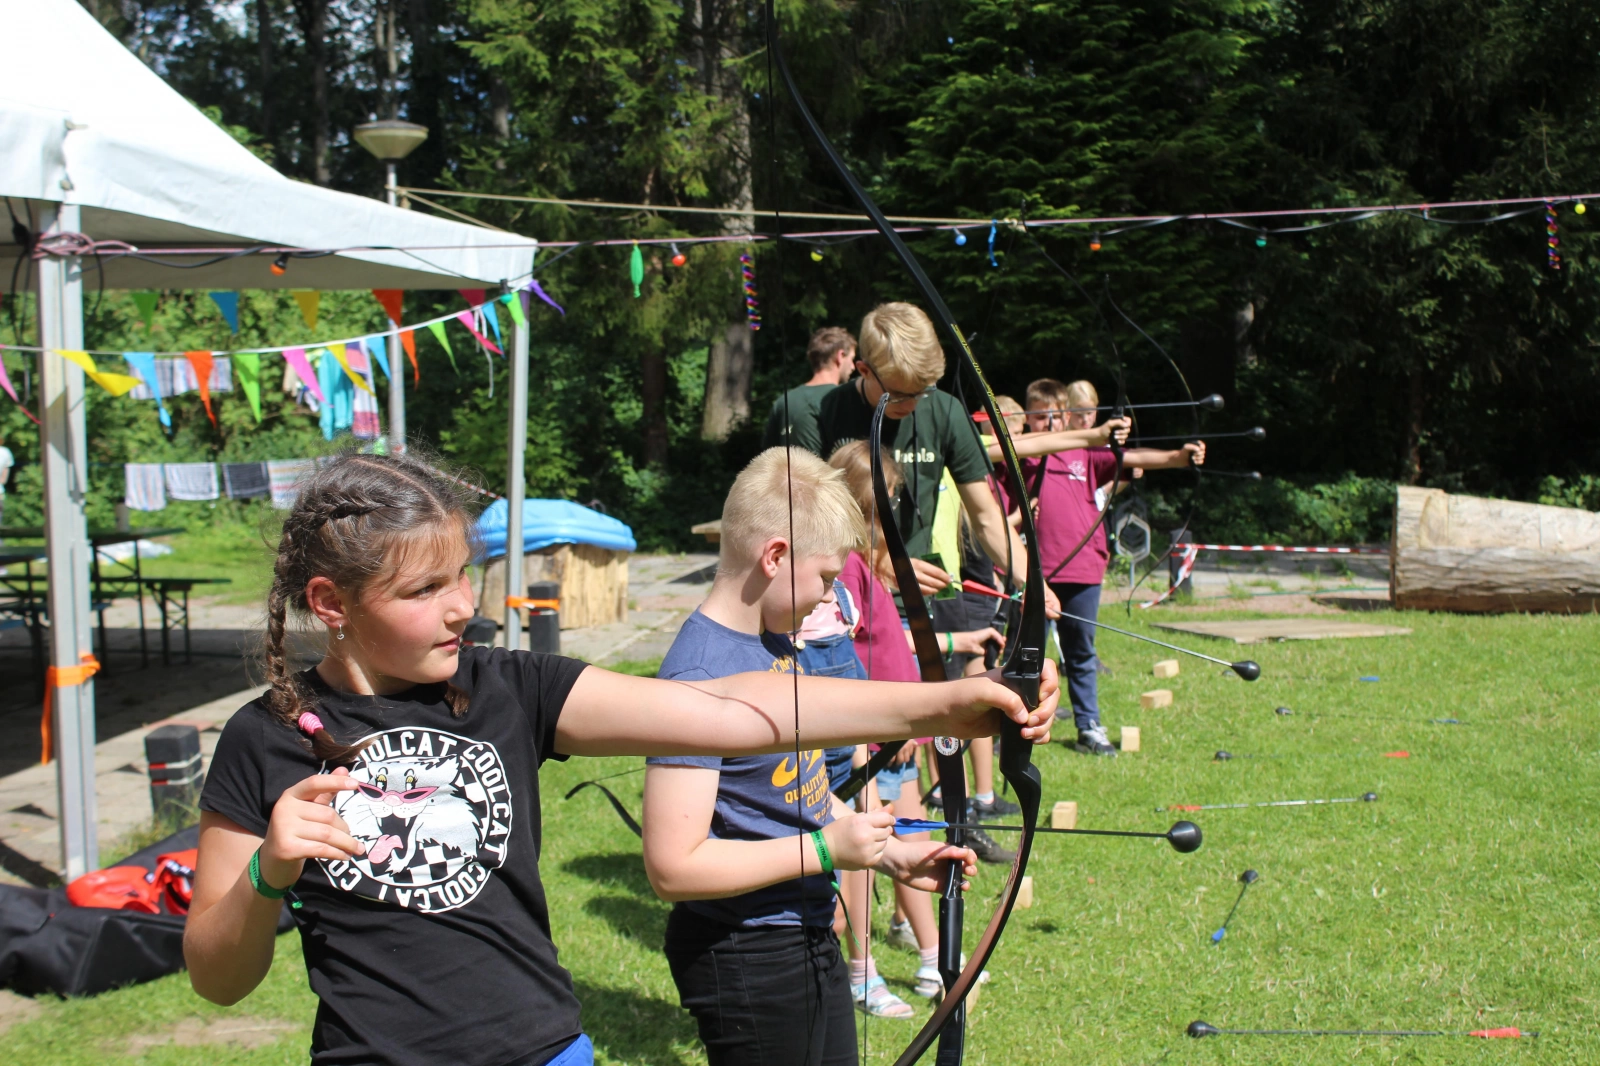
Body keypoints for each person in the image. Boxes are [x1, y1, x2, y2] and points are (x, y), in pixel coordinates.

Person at [184, 450, 1059, 1066]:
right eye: (423, 591)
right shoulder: (262, 741)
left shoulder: (505, 688)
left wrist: (949, 704)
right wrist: (268, 871)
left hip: (548, 1050)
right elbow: (218, 978)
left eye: (462, 576)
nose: (461, 608)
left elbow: (728, 707)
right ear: (331, 602)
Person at [642, 447, 1026, 1064]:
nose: (828, 600)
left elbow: (803, 793)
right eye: (825, 579)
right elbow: (672, 867)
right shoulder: (696, 674)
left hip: (806, 926)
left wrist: (890, 850)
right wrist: (824, 851)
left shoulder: (776, 645)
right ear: (774, 557)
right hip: (744, 949)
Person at [827, 440, 1009, 1000]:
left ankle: (935, 961)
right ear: (865, 504)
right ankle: (861, 973)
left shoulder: (872, 565)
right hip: (875, 741)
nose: (896, 509)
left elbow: (893, 642)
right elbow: (845, 660)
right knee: (862, 854)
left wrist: (960, 639)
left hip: (897, 740)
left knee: (915, 838)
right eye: (887, 500)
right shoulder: (845, 567)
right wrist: (884, 728)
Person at [1023, 378, 1203, 756]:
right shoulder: (1026, 455)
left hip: (1084, 567)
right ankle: (1019, 723)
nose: (1050, 424)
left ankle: (1089, 725)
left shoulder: (1085, 453)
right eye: (1040, 417)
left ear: (1067, 417)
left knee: (1082, 652)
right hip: (1038, 571)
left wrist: (1178, 457)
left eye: (1056, 416)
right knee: (1028, 652)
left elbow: (1131, 459)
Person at [761, 326, 857, 449]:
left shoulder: (783, 401)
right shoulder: (843, 398)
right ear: (840, 356)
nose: (853, 367)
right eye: (852, 359)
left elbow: (766, 457)